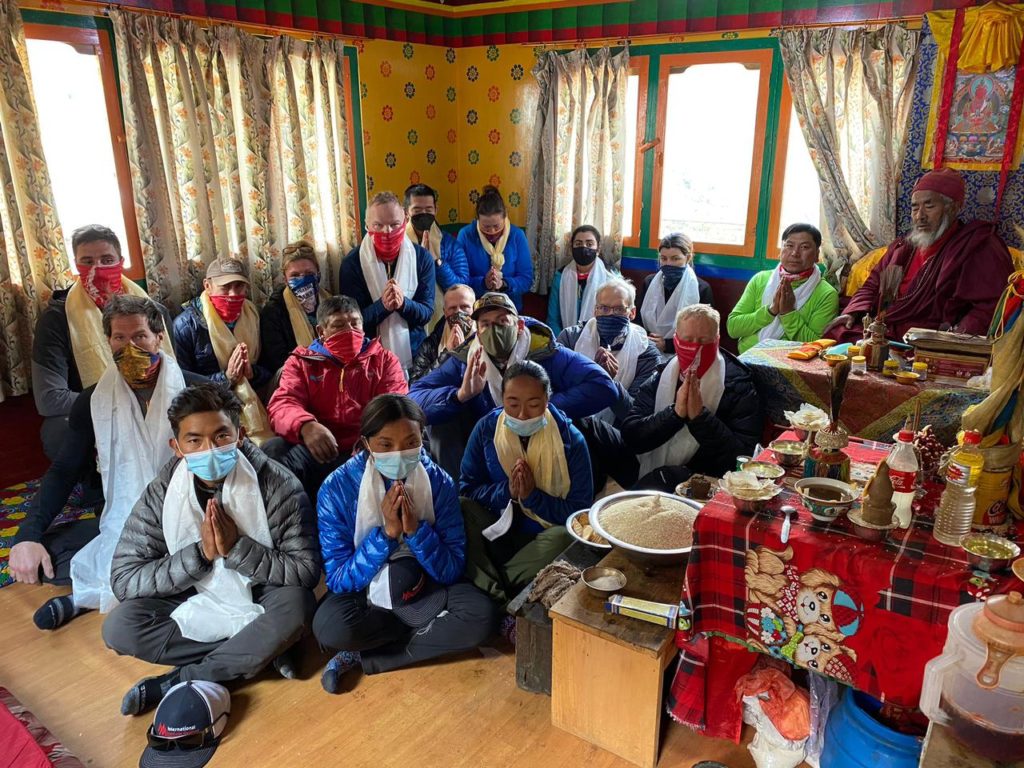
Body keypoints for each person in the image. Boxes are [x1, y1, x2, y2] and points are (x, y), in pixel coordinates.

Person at [103, 383, 320, 716]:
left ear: (241, 435)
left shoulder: (278, 484)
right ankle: (260, 651)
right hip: (194, 592)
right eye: (194, 440)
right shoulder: (163, 492)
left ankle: (183, 680)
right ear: (176, 447)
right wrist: (199, 555)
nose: (209, 449)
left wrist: (237, 548)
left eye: (221, 436)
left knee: (296, 607)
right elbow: (125, 577)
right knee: (120, 627)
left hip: (265, 593)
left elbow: (304, 571)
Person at [11, 296, 198, 630]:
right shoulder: (94, 400)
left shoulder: (197, 391)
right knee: (47, 553)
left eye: (139, 336)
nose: (130, 347)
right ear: (108, 341)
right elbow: (64, 470)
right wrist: (28, 534)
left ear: (158, 337)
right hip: (126, 517)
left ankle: (91, 596)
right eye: (119, 338)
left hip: (194, 513)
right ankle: (155, 584)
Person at [313, 394, 496, 693]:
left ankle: (367, 656)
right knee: (330, 626)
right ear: (366, 444)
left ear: (422, 438)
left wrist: (415, 532)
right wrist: (385, 535)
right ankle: (423, 632)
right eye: (386, 445)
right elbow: (337, 578)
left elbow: (451, 568)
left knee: (480, 615)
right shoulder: (336, 489)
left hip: (424, 583)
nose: (399, 454)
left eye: (411, 442)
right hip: (367, 593)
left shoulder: (438, 482)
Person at [408, 292, 618, 482]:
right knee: (442, 424)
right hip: (490, 449)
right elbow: (415, 398)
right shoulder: (466, 361)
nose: (494, 330)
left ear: (518, 326)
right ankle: (461, 495)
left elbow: (603, 386)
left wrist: (540, 406)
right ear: (478, 333)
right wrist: (460, 395)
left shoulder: (545, 352)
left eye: (502, 322)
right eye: (486, 325)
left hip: (543, 441)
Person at [32, 224, 174, 460]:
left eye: (107, 259)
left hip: (152, 400)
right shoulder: (56, 319)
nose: (97, 269)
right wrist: (121, 399)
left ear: (121, 261)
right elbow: (50, 399)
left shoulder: (153, 311)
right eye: (87, 261)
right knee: (58, 429)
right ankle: (94, 486)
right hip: (94, 409)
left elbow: (175, 371)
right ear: (76, 266)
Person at [825, 168, 1014, 342]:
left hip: (931, 336)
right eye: (915, 208)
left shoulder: (977, 246)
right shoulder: (903, 248)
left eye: (929, 206)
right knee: (838, 333)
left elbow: (991, 305)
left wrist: (957, 337)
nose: (919, 216)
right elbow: (873, 283)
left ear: (953, 208)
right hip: (885, 328)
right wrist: (854, 311)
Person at [460, 362, 591, 605]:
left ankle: (492, 592)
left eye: (533, 404)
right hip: (497, 526)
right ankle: (509, 593)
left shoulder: (570, 440)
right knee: (461, 506)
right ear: (502, 399)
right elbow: (467, 487)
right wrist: (506, 491)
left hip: (543, 535)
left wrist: (532, 497)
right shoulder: (487, 429)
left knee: (565, 537)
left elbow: (579, 512)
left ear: (547, 400)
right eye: (512, 404)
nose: (522, 414)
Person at [265, 295, 408, 497]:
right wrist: (305, 426)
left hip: (367, 450)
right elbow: (282, 403)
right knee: (274, 450)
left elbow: (394, 406)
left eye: (355, 323)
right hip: (317, 450)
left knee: (407, 442)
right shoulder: (301, 362)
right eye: (339, 325)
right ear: (321, 332)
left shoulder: (384, 361)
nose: (349, 331)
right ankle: (296, 519)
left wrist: (367, 443)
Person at [621, 304, 762, 492]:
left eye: (703, 341)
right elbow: (633, 437)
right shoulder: (662, 374)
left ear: (717, 340)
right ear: (676, 340)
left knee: (659, 480)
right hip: (651, 462)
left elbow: (741, 459)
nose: (695, 348)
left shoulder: (739, 385)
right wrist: (675, 414)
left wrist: (700, 418)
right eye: (688, 340)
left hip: (704, 477)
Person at [556, 279, 661, 489]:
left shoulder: (646, 353)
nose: (610, 315)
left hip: (617, 435)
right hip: (568, 427)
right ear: (595, 310)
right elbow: (555, 396)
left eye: (618, 309)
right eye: (604, 308)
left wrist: (609, 385)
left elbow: (635, 417)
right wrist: (590, 378)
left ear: (632, 313)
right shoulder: (570, 338)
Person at [172, 258, 274, 442]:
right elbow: (181, 384)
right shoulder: (185, 325)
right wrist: (227, 379)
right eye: (225, 287)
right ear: (207, 286)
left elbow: (271, 367)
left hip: (258, 397)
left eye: (239, 286)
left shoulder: (254, 315)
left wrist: (253, 374)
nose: (233, 294)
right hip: (210, 409)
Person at [340, 191, 436, 371]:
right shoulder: (352, 264)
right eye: (378, 225)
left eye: (394, 224)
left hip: (416, 355)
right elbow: (350, 323)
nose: (387, 232)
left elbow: (427, 313)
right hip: (370, 359)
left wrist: (403, 304)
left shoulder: (422, 258)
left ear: (405, 220)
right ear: (367, 225)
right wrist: (383, 306)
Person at [727, 223, 840, 354]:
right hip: (746, 360)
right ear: (781, 250)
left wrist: (788, 313)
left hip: (791, 367)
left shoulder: (826, 294)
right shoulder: (760, 279)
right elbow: (733, 328)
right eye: (789, 245)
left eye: (804, 247)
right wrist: (770, 311)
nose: (795, 253)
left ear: (816, 254)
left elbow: (816, 346)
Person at [458, 186, 533, 311]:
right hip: (476, 308)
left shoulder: (517, 236)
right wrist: (483, 283)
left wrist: (504, 284)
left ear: (505, 216)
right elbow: (460, 279)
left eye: (497, 226)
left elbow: (526, 279)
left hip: (510, 309)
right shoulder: (466, 235)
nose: (492, 232)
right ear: (477, 220)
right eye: (486, 227)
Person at [259, 240, 330, 374]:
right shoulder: (273, 311)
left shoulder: (330, 302)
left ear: (318, 274)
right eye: (295, 276)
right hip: (296, 374)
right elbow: (277, 361)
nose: (303, 279)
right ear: (285, 280)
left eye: (309, 274)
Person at [404, 183, 469, 323]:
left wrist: (436, 261)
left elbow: (462, 287)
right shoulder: (399, 245)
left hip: (444, 319)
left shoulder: (450, 244)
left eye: (428, 209)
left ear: (436, 209)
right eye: (417, 210)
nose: (423, 214)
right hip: (409, 318)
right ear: (406, 212)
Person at [641, 233, 714, 356]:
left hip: (684, 352)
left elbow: (704, 332)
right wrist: (648, 339)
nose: (669, 263)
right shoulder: (649, 282)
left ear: (688, 258)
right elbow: (637, 319)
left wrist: (668, 344)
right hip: (647, 346)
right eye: (663, 258)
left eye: (675, 259)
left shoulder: (701, 289)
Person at [547, 225, 616, 337]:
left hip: (599, 342)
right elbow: (553, 319)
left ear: (598, 249)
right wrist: (563, 343)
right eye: (578, 244)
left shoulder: (611, 279)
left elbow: (614, 320)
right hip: (565, 341)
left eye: (589, 244)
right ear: (571, 248)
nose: (584, 248)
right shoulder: (560, 277)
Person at [409, 283, 476, 382]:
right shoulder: (431, 344)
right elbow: (415, 385)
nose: (459, 312)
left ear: (474, 309)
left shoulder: (486, 340)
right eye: (452, 308)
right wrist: (446, 355)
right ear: (445, 312)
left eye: (464, 307)